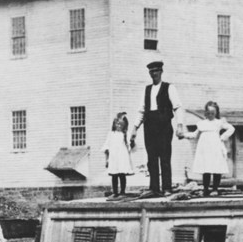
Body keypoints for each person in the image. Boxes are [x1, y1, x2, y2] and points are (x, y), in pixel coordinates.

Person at [130, 60, 186, 197]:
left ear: (161, 72)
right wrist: (134, 128)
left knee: (165, 158)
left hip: (164, 126)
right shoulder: (147, 89)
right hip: (150, 127)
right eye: (151, 71)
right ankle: (154, 188)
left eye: (156, 71)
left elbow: (177, 107)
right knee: (151, 158)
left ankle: (167, 187)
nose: (154, 74)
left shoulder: (169, 87)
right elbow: (142, 111)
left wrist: (180, 125)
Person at [186, 101, 235, 196]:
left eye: (213, 113)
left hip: (215, 147)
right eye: (208, 113)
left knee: (216, 167)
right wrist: (183, 135)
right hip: (204, 148)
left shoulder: (219, 122)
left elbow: (231, 128)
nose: (210, 115)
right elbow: (194, 134)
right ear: (205, 113)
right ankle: (205, 189)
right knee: (206, 168)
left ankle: (215, 189)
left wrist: (222, 137)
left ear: (216, 113)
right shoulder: (202, 123)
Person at [101, 111, 134, 198]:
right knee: (114, 175)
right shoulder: (111, 134)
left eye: (121, 124)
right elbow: (107, 147)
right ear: (114, 124)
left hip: (122, 157)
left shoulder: (125, 134)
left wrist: (131, 141)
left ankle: (122, 192)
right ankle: (115, 192)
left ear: (124, 125)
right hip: (114, 157)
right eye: (117, 124)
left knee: (122, 174)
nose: (118, 126)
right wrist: (107, 159)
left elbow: (130, 146)